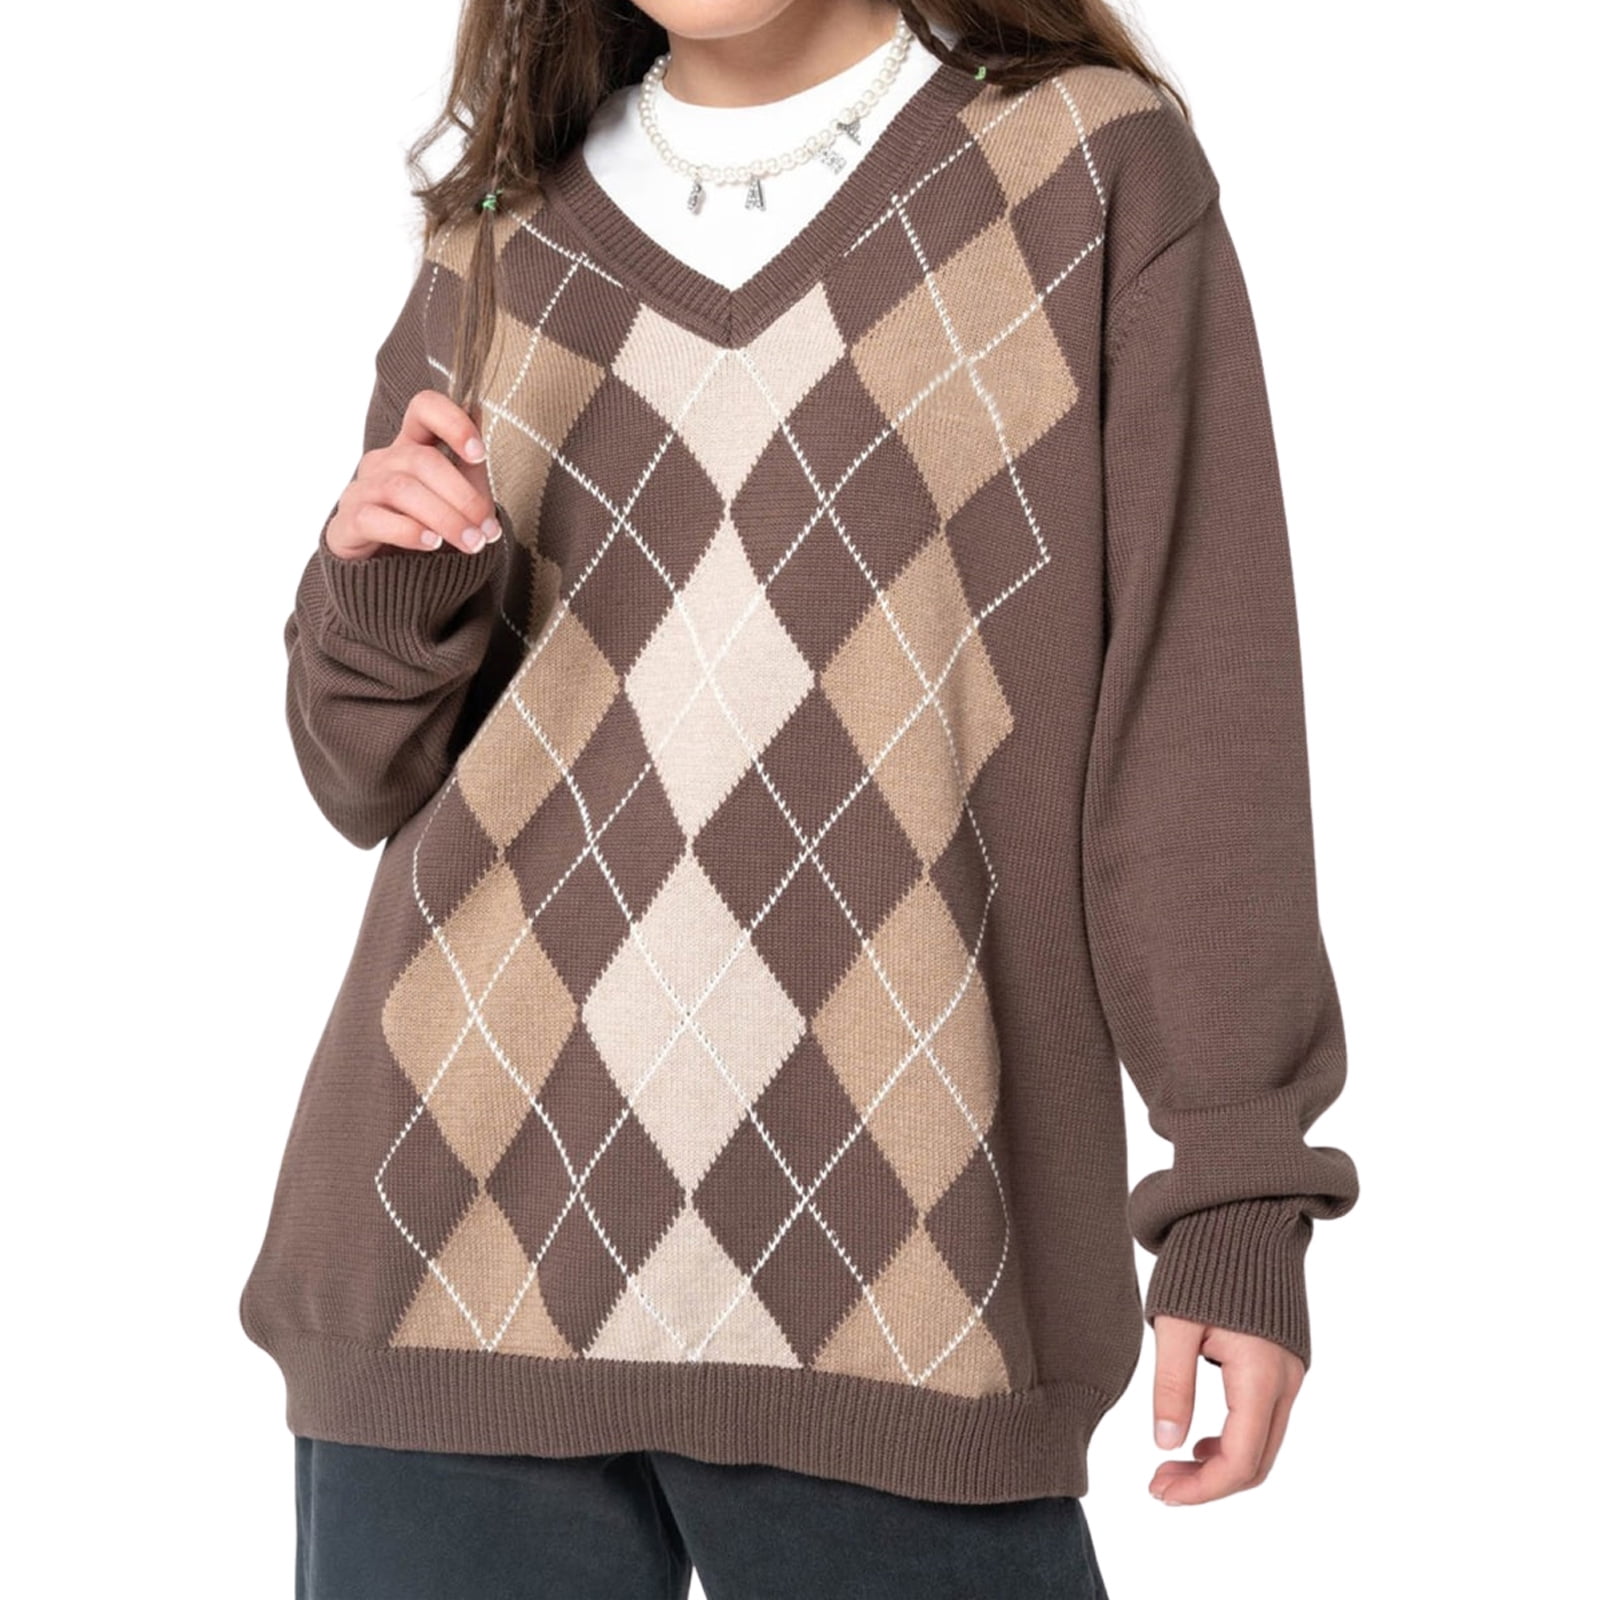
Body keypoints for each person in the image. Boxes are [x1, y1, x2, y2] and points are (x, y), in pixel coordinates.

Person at [239, 1, 1361, 1594]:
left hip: (910, 1283)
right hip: (445, 1265)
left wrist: (1238, 1189)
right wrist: (380, 591)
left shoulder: (1085, 176)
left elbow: (1193, 725)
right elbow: (364, 778)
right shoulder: (502, 235)